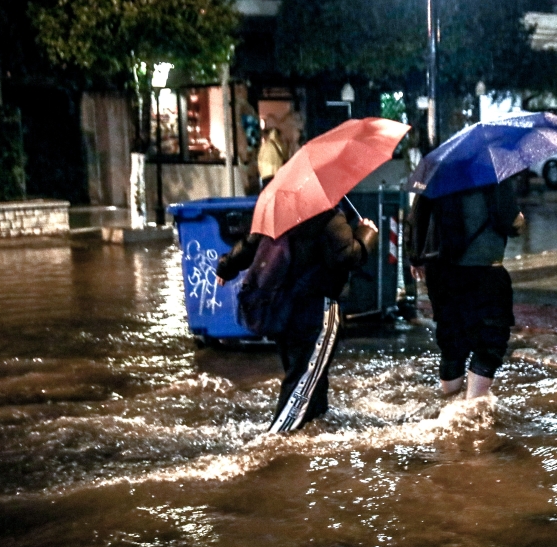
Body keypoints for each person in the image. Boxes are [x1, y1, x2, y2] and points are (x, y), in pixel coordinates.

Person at [215, 206, 378, 432]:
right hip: (315, 309)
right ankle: (275, 446)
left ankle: (315, 431)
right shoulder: (327, 216)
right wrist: (366, 234)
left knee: (311, 380)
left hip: (281, 308)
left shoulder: (277, 213)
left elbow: (251, 244)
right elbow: (346, 256)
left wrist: (226, 266)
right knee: (303, 383)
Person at [407, 176, 525, 399]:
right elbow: (509, 221)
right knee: (490, 340)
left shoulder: (438, 169)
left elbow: (417, 216)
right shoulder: (492, 172)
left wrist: (414, 257)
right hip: (483, 269)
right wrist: (520, 219)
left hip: (440, 270)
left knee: (452, 341)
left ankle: (450, 406)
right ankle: (470, 410)